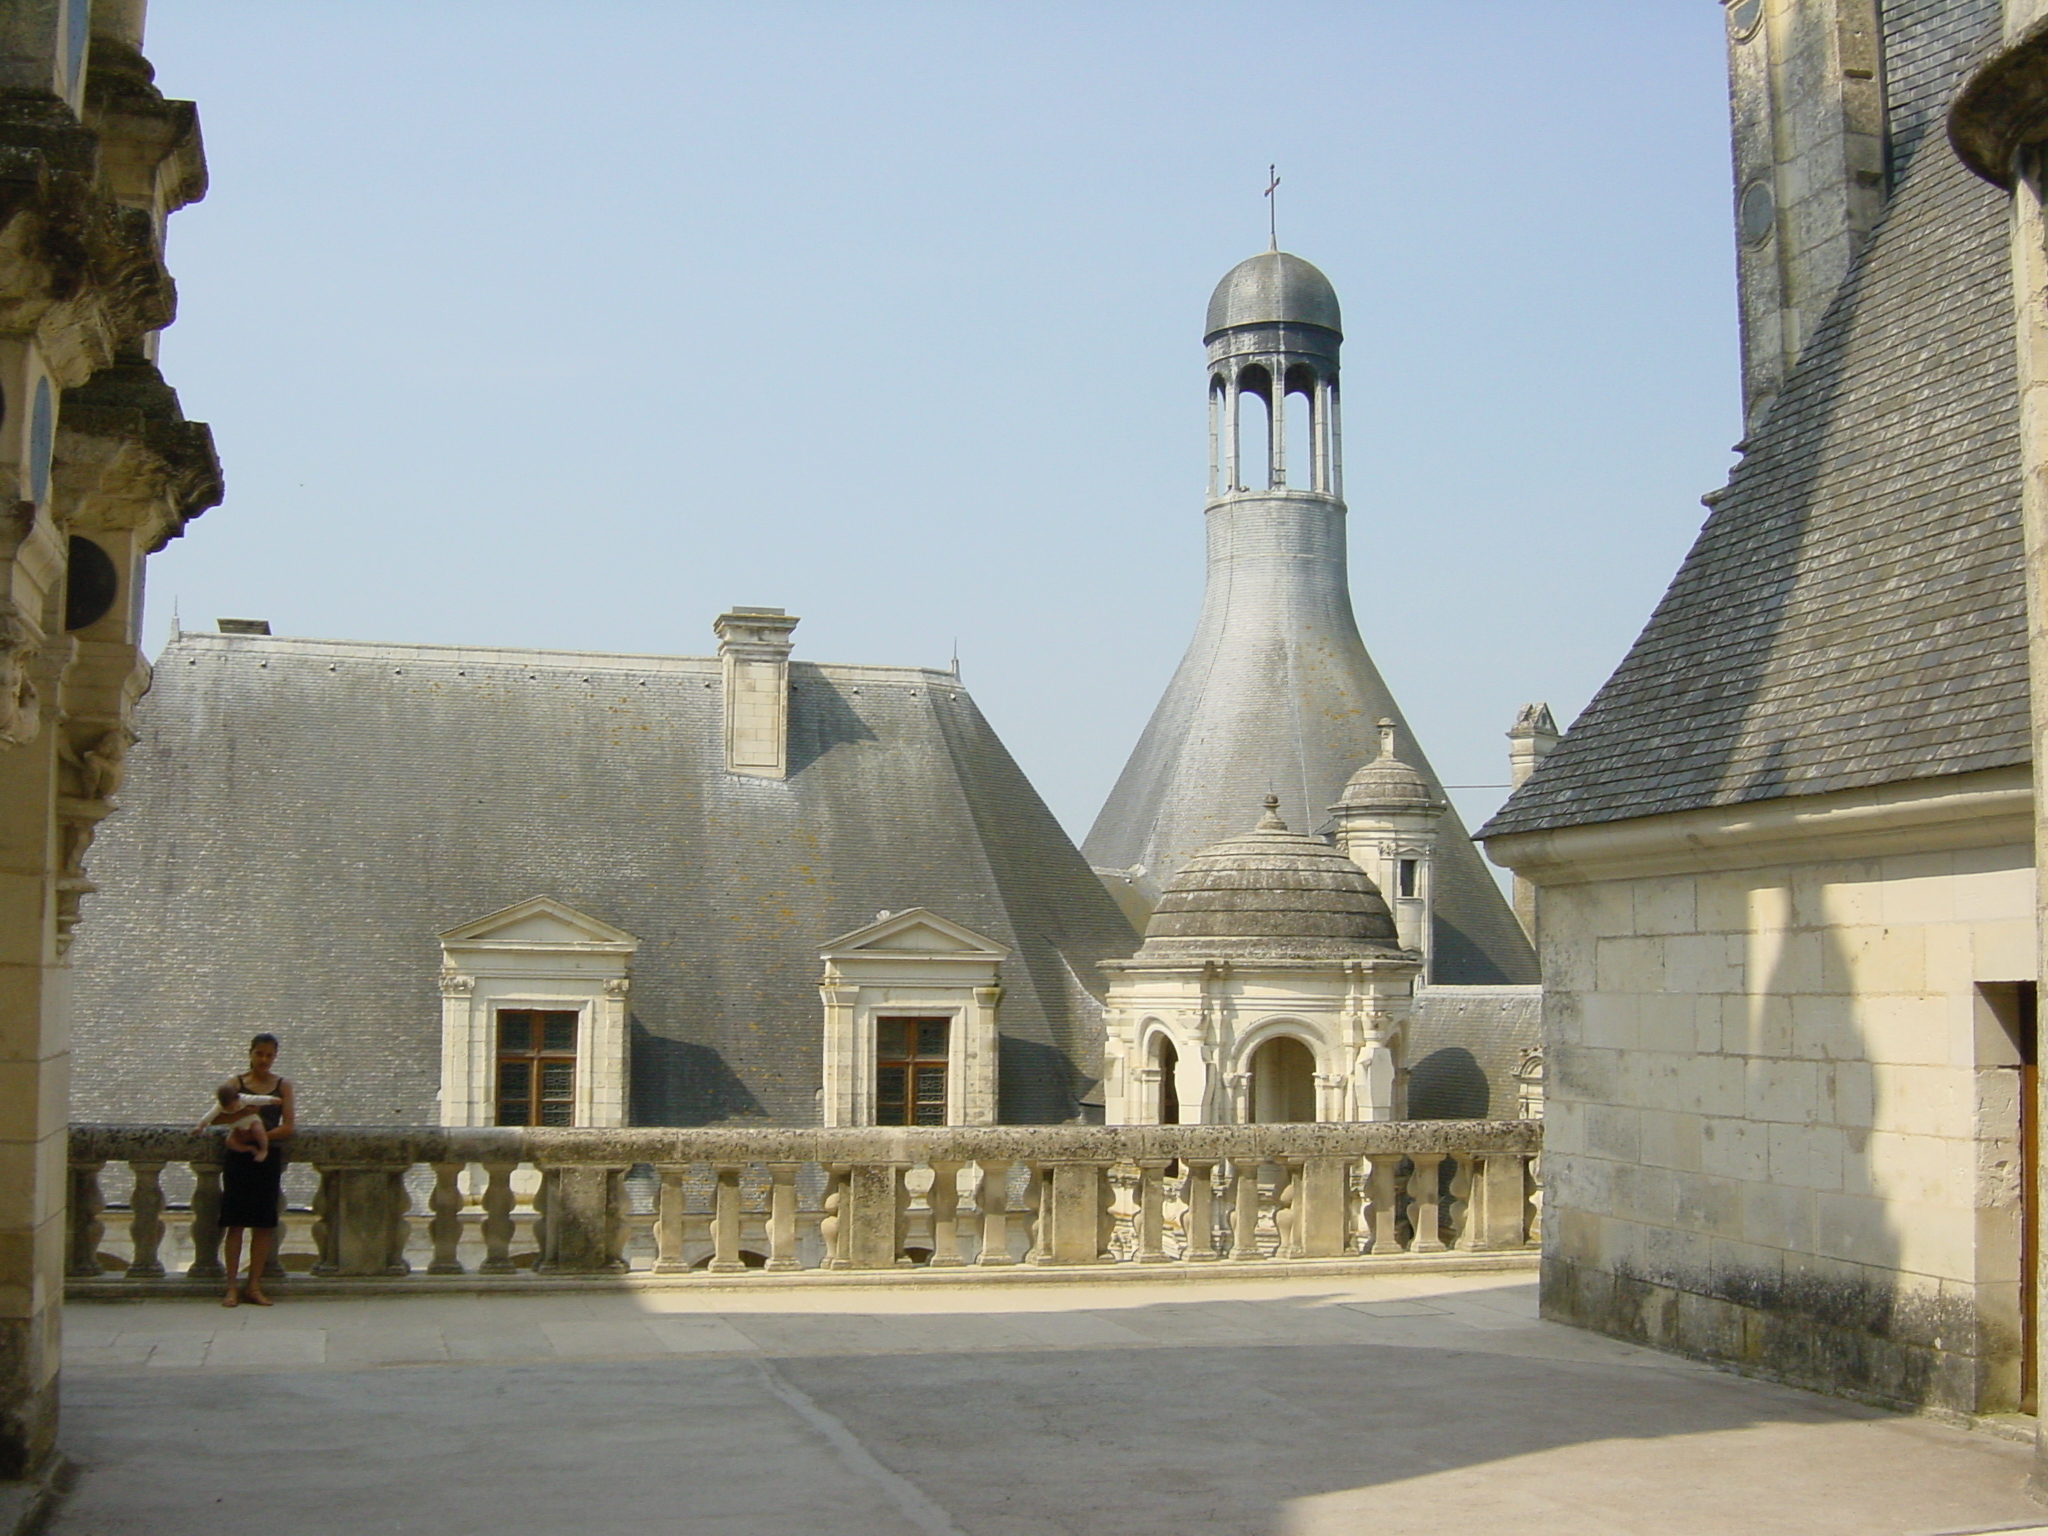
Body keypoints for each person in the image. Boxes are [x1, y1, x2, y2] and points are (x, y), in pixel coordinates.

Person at [215, 1033, 294, 1307]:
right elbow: (221, 1115)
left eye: (269, 1055)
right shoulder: (234, 1084)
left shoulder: (282, 1086)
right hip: (238, 1159)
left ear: (275, 1057)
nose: (264, 1059)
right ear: (250, 1053)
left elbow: (288, 1126)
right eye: (259, 1054)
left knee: (262, 1225)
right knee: (235, 1224)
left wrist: (260, 1139)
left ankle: (254, 1286)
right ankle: (231, 1287)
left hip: (265, 1159)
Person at [194, 1082, 279, 1161]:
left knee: (258, 1130)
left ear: (237, 1099)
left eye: (233, 1107)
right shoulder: (218, 1107)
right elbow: (209, 1116)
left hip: (251, 1121)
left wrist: (271, 1100)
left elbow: (257, 1099)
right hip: (236, 1126)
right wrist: (200, 1126)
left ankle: (264, 1149)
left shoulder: (244, 1099)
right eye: (228, 1109)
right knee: (229, 1142)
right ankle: (249, 1148)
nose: (232, 1110)